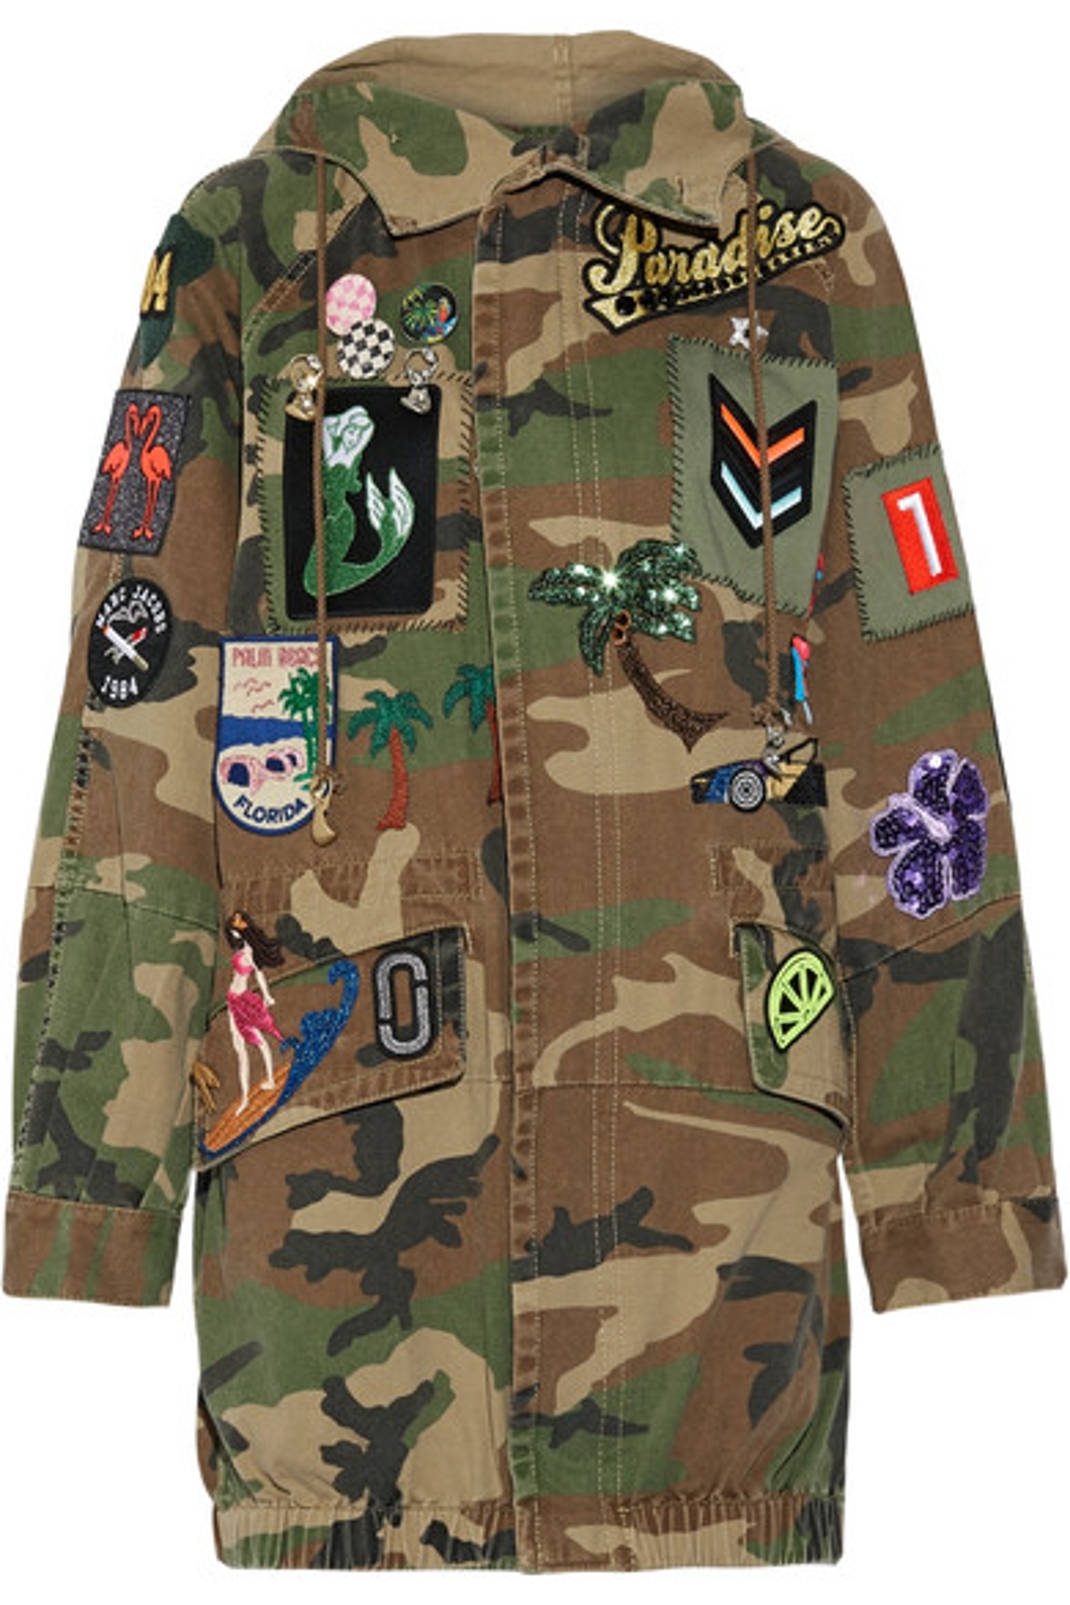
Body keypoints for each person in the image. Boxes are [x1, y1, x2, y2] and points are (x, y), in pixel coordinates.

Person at [222, 910, 285, 1111]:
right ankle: (244, 1098)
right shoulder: (241, 950)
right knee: (239, 1047)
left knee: (258, 1042)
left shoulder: (249, 952)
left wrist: (267, 996)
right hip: (232, 1000)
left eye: (235, 929)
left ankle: (270, 1080)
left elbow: (259, 975)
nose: (233, 934)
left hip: (242, 1000)